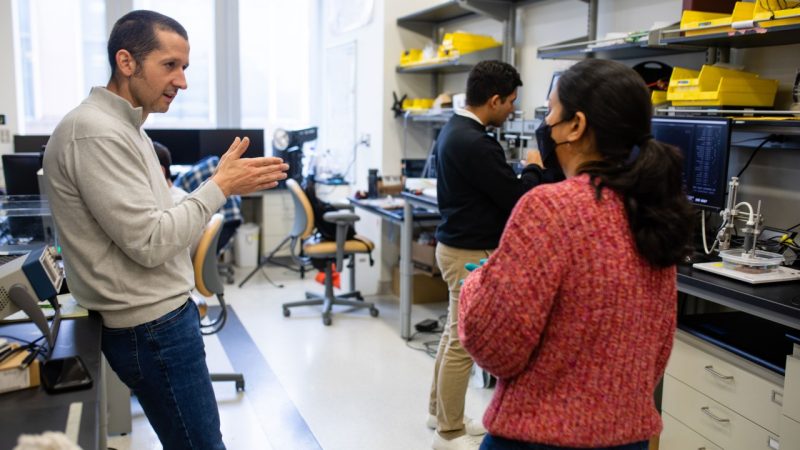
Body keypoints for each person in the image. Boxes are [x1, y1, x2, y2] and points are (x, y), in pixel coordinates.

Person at [42, 10, 289, 450]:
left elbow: (157, 211)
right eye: (170, 65)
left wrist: (214, 184)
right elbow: (152, 242)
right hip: (150, 326)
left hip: (160, 317)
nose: (182, 81)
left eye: (185, 67)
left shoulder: (126, 125)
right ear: (127, 61)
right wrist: (219, 187)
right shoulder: (96, 133)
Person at [458, 59, 694, 450]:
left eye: (550, 111)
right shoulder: (654, 211)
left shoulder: (550, 208)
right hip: (626, 437)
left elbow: (494, 346)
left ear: (576, 125)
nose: (545, 123)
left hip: (539, 437)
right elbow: (656, 350)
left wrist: (478, 285)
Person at [428, 60, 564, 450]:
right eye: (510, 103)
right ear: (494, 99)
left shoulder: (454, 130)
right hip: (468, 250)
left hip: (452, 244)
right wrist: (535, 170)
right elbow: (515, 198)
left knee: (450, 336)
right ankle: (449, 431)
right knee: (461, 343)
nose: (511, 111)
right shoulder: (476, 142)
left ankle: (439, 412)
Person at [174, 155, 244, 253]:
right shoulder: (211, 162)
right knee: (208, 257)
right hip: (233, 217)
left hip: (223, 221)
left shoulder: (178, 187)